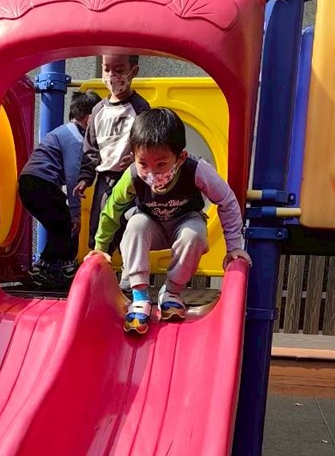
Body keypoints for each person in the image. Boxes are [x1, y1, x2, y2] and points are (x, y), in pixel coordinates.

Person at [89, 107, 252, 334]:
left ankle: (172, 291)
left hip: (184, 222)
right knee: (135, 224)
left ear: (180, 158)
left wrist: (234, 246)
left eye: (161, 164)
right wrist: (100, 247)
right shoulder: (133, 176)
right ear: (134, 157)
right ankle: (140, 296)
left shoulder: (196, 170)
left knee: (194, 233)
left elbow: (227, 201)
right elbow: (111, 208)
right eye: (143, 163)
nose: (152, 173)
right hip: (151, 225)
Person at [18, 89, 101, 287]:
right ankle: (45, 268)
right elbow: (73, 178)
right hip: (40, 183)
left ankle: (63, 266)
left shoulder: (65, 131)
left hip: (30, 183)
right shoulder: (76, 139)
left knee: (59, 225)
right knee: (66, 224)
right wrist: (76, 213)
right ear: (89, 118)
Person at [74, 54, 150, 256]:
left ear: (133, 71)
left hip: (130, 178)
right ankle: (98, 262)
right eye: (106, 69)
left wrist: (136, 158)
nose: (112, 76)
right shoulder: (98, 110)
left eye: (119, 70)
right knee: (100, 225)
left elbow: (147, 142)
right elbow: (91, 149)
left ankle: (129, 267)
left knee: (129, 224)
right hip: (104, 179)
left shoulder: (140, 108)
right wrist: (85, 178)